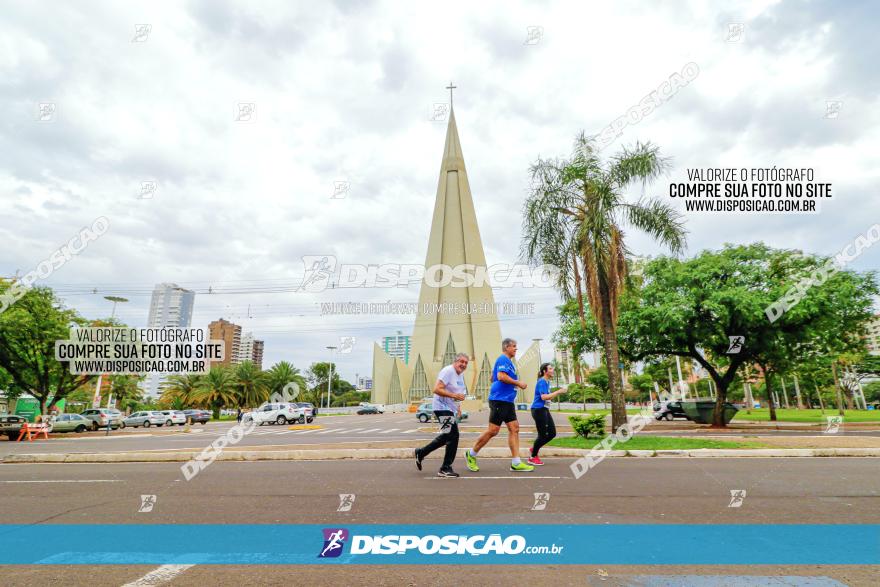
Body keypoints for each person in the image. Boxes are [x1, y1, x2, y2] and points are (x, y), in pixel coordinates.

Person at [465, 338, 534, 472]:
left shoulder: (507, 362)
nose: (516, 349)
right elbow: (501, 376)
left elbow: (493, 377)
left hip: (507, 401)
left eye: (516, 346)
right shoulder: (503, 359)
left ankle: (516, 462)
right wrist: (518, 383)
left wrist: (497, 378)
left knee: (514, 428)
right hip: (499, 400)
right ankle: (471, 454)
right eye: (514, 346)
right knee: (493, 431)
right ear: (506, 347)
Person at [414, 353, 468, 477]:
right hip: (441, 407)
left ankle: (421, 453)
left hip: (450, 409)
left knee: (447, 436)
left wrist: (458, 406)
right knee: (453, 435)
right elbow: (437, 389)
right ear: (455, 362)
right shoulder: (448, 371)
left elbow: (457, 393)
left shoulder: (460, 375)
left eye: (466, 363)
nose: (463, 364)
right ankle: (445, 468)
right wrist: (454, 396)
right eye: (461, 361)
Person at [528, 363, 565, 465]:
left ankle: (535, 448)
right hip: (538, 409)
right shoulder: (542, 382)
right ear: (545, 371)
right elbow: (544, 397)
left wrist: (554, 394)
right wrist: (558, 392)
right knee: (543, 435)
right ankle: (532, 457)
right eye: (550, 368)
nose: (552, 370)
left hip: (544, 409)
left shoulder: (547, 382)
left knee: (552, 433)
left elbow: (548, 397)